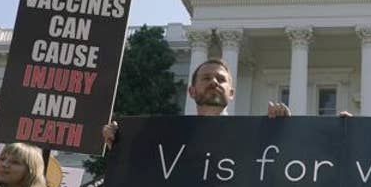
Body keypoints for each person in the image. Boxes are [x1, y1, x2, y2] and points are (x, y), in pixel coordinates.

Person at [102, 57, 288, 146]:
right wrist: (120, 142)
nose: (214, 82)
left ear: (231, 93)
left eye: (221, 79)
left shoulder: (251, 138)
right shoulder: (170, 138)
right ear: (191, 91)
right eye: (206, 78)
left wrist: (284, 132)